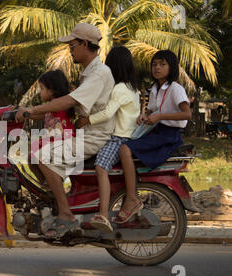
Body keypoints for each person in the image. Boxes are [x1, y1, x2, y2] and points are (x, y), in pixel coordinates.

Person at [16, 23, 115, 239]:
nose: (70, 49)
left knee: (43, 156)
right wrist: (27, 113)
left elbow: (69, 101)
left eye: (73, 45)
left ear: (86, 44)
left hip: (93, 137)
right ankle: (54, 197)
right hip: (84, 133)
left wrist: (31, 109)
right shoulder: (88, 73)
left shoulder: (98, 73)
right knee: (32, 154)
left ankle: (65, 213)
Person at [115, 50, 192, 224]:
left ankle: (132, 198)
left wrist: (160, 116)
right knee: (123, 147)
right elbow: (152, 109)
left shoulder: (175, 88)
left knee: (125, 149)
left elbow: (187, 114)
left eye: (162, 64)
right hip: (156, 131)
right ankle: (131, 194)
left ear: (171, 67)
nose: (157, 68)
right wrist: (144, 114)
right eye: (154, 64)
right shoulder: (156, 88)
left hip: (168, 136)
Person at [76, 46, 140, 232]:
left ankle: (103, 214)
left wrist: (86, 120)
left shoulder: (119, 88)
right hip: (127, 137)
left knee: (101, 167)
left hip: (118, 138)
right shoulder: (133, 89)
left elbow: (107, 113)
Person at [27, 70, 76, 185]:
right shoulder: (51, 106)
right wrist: (21, 112)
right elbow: (39, 115)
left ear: (52, 90)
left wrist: (28, 111)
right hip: (53, 141)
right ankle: (46, 184)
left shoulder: (56, 104)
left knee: (35, 156)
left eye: (42, 88)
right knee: (31, 157)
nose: (40, 92)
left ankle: (51, 185)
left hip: (62, 142)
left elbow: (40, 113)